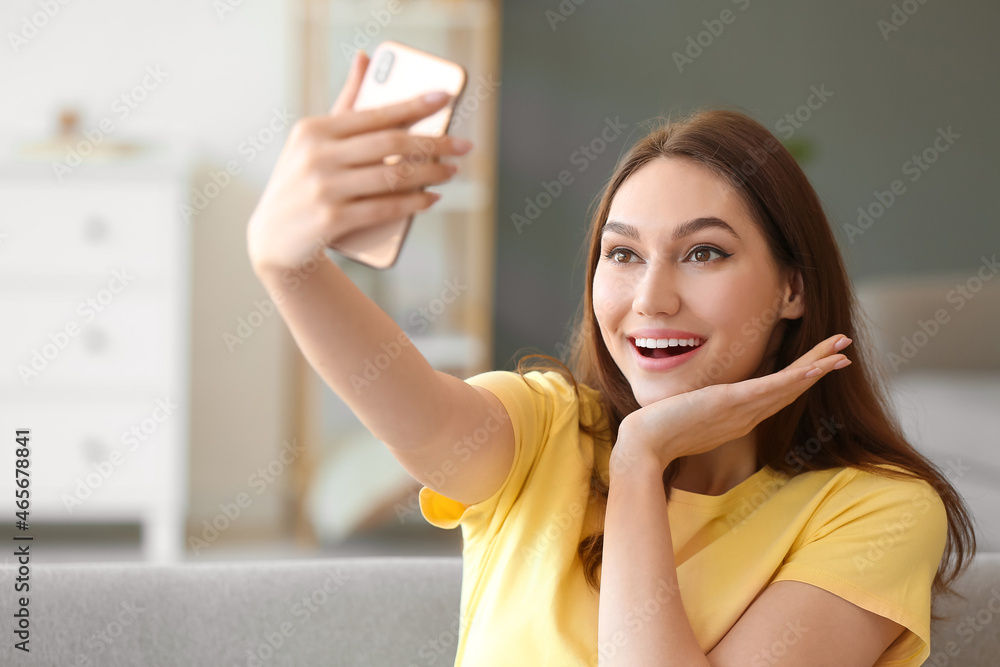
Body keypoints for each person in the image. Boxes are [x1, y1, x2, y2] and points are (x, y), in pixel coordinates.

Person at [246, 49, 977, 667]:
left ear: (792, 287)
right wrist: (289, 267)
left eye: (703, 252)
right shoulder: (542, 428)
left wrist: (638, 464)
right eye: (622, 253)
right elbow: (411, 407)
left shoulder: (875, 510)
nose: (651, 298)